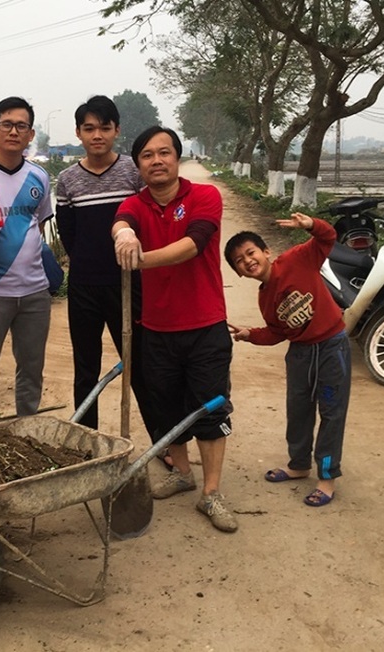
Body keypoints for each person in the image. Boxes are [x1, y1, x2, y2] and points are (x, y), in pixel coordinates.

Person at [112, 125, 237, 532]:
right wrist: (125, 233)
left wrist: (140, 260)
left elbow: (193, 244)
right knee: (165, 406)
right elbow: (122, 223)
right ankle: (182, 474)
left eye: (164, 152)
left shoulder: (204, 196)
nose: (156, 161)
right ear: (138, 165)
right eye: (147, 155)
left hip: (204, 325)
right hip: (157, 328)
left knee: (210, 407)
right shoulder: (134, 203)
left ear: (177, 157)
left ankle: (211, 492)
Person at [55, 97, 176, 484]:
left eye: (104, 128)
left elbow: (149, 219)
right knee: (85, 368)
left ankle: (164, 442)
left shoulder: (131, 172)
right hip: (85, 288)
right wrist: (89, 263)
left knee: (141, 365)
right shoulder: (67, 180)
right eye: (89, 128)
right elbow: (68, 235)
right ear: (78, 133)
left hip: (129, 284)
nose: (97, 135)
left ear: (116, 131)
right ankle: (85, 445)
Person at [225, 212, 350, 507]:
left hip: (332, 348)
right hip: (300, 355)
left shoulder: (297, 258)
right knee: (298, 410)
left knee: (331, 412)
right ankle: (298, 464)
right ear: (239, 272)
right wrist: (249, 334)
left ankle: (327, 477)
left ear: (266, 252)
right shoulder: (264, 297)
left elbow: (328, 237)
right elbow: (278, 332)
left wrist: (311, 225)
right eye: (239, 261)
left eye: (250, 252)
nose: (247, 261)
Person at [0, 97, 53, 417]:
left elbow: (39, 228)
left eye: (21, 126)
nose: (13, 131)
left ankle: (27, 426)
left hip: (34, 292)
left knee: (32, 368)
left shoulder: (39, 177)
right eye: (7, 125)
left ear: (31, 134)